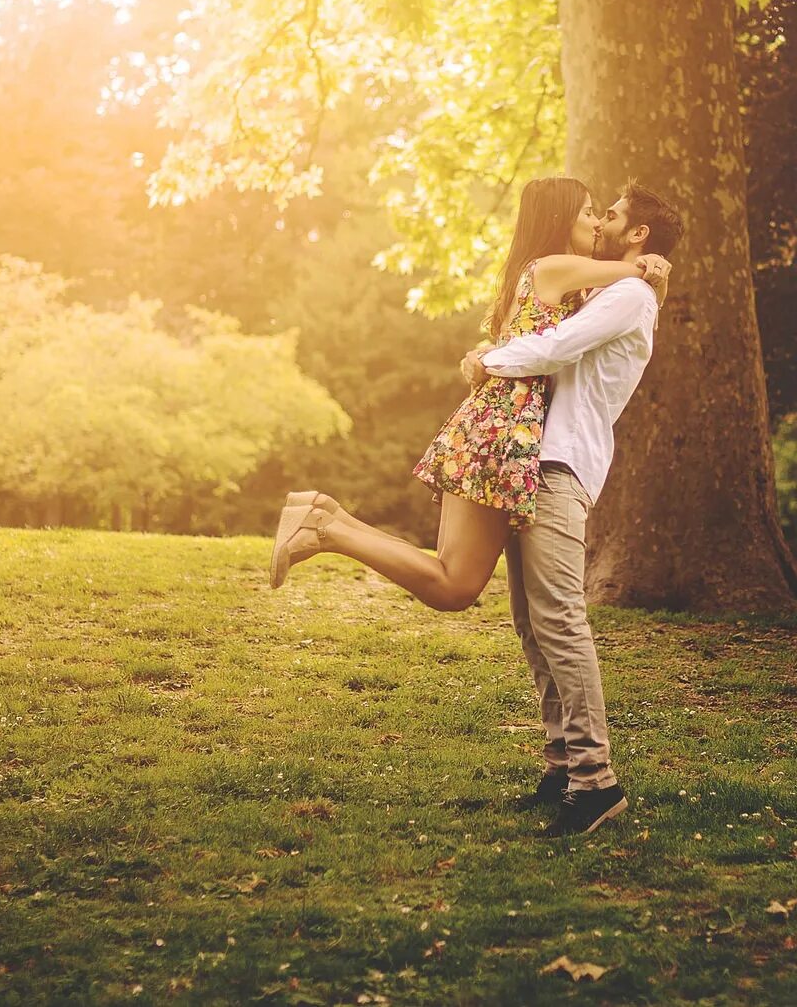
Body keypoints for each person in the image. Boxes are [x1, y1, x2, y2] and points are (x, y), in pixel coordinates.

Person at [266, 175, 668, 617]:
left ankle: (326, 516)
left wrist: (485, 355)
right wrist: (653, 272)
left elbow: (597, 313)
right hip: (503, 427)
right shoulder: (556, 266)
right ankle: (326, 530)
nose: (595, 224)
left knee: (451, 577)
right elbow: (633, 276)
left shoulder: (550, 273)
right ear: (559, 218)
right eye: (589, 213)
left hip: (498, 423)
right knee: (454, 586)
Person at [461, 181, 682, 837]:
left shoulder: (631, 295)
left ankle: (596, 781)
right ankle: (560, 766)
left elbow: (556, 349)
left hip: (560, 465)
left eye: (611, 214)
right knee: (531, 619)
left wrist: (486, 360)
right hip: (537, 461)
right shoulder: (620, 290)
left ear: (638, 234)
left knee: (559, 618)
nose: (601, 220)